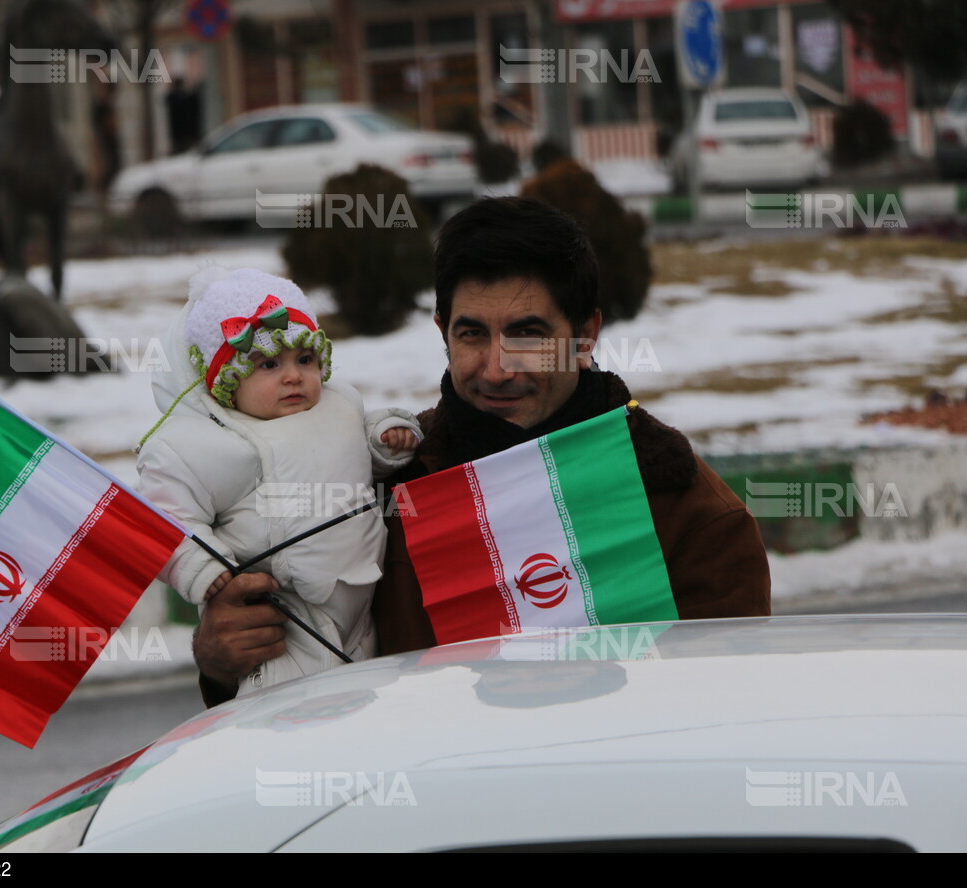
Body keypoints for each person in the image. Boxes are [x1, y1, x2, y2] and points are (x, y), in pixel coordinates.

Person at [194, 198, 771, 704]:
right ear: (442, 328)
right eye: (472, 335)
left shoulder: (685, 508)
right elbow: (306, 687)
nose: (496, 369)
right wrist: (224, 664)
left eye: (527, 334)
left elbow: (723, 716)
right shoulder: (375, 484)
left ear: (586, 332)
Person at [137, 267, 420, 695]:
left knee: (368, 696)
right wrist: (198, 566)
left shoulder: (339, 406)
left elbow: (360, 463)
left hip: (362, 601)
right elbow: (162, 519)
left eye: (304, 360)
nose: (293, 376)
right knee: (294, 706)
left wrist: (386, 442)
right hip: (286, 616)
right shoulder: (204, 445)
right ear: (226, 383)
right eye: (268, 364)